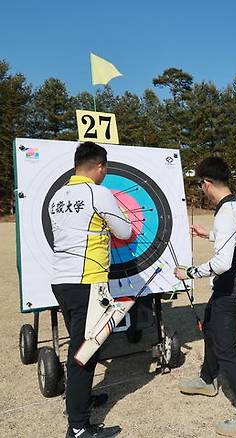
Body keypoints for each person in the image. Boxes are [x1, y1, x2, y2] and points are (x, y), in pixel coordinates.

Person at [175, 157, 236, 436]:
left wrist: (190, 272)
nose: (201, 189)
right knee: (211, 326)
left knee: (227, 349)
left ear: (206, 183)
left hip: (230, 287)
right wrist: (210, 235)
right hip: (235, 284)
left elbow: (223, 263)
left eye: (200, 184)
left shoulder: (225, 212)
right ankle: (207, 379)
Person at [50, 142, 131, 438]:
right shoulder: (98, 193)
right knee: (85, 352)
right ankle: (79, 427)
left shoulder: (58, 196)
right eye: (105, 169)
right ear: (99, 167)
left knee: (81, 345)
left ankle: (79, 401)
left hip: (62, 281)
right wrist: (117, 215)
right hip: (88, 281)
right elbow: (125, 231)